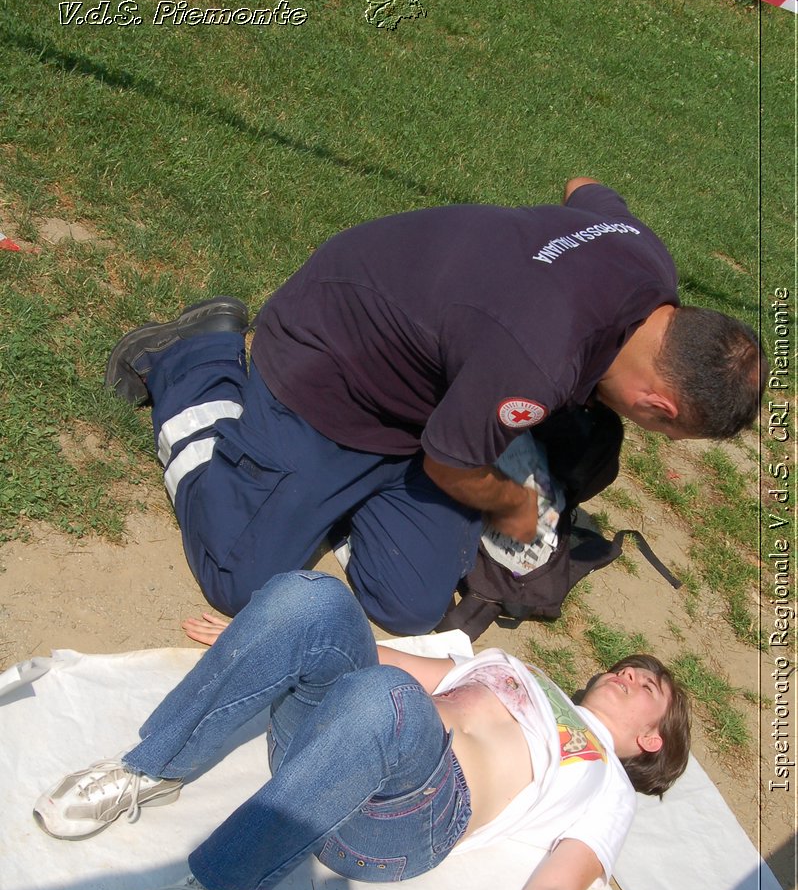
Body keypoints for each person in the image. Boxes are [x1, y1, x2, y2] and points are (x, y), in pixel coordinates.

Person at [34, 571, 690, 890]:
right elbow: (399, 665)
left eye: (649, 685)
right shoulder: (525, 672)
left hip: (405, 818)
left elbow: (557, 889)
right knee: (311, 596)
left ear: (652, 739)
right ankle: (151, 769)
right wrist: (270, 634)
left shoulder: (606, 783)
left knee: (389, 703)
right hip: (339, 745)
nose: (632, 671)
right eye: (633, 666)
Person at [103, 182, 763, 636]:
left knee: (410, 604)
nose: (643, 430)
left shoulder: (646, 258)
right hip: (328, 369)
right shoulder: (538, 360)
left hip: (425, 404)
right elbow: (453, 467)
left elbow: (583, 185)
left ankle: (328, 496)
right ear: (659, 403)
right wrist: (510, 505)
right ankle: (196, 357)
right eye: (658, 429)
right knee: (237, 580)